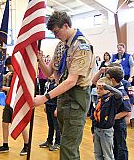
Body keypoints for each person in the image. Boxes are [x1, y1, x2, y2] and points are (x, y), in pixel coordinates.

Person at [34, 11, 95, 160]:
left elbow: (71, 80)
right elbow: (49, 72)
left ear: (66, 26)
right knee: (68, 147)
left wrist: (45, 97)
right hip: (63, 98)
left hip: (76, 99)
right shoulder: (62, 46)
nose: (55, 35)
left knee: (68, 148)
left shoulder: (81, 46)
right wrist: (41, 60)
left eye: (56, 31)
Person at [0, 56, 29, 156]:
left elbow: (16, 89)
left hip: (17, 102)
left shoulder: (21, 75)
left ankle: (27, 145)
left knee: (20, 123)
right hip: (9, 102)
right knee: (5, 122)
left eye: (10, 67)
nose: (9, 69)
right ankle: (5, 145)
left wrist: (4, 88)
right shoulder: (11, 75)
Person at [91, 77, 123, 160]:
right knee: (97, 153)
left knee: (108, 155)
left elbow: (119, 94)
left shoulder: (112, 100)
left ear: (108, 90)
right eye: (97, 88)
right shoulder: (98, 100)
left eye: (101, 89)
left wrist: (107, 87)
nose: (98, 90)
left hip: (106, 131)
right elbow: (94, 116)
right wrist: (93, 131)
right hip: (97, 129)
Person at [106, 67, 132, 160]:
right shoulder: (113, 89)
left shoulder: (121, 92)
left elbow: (125, 110)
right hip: (114, 123)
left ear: (112, 80)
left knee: (121, 146)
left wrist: (111, 118)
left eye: (107, 77)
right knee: (115, 145)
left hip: (119, 123)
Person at [39, 76, 60, 151]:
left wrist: (57, 108)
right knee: (50, 124)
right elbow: (46, 93)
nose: (50, 75)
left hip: (54, 105)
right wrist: (45, 104)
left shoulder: (57, 83)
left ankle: (58, 142)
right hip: (48, 105)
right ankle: (49, 141)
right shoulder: (48, 82)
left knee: (57, 125)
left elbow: (60, 97)